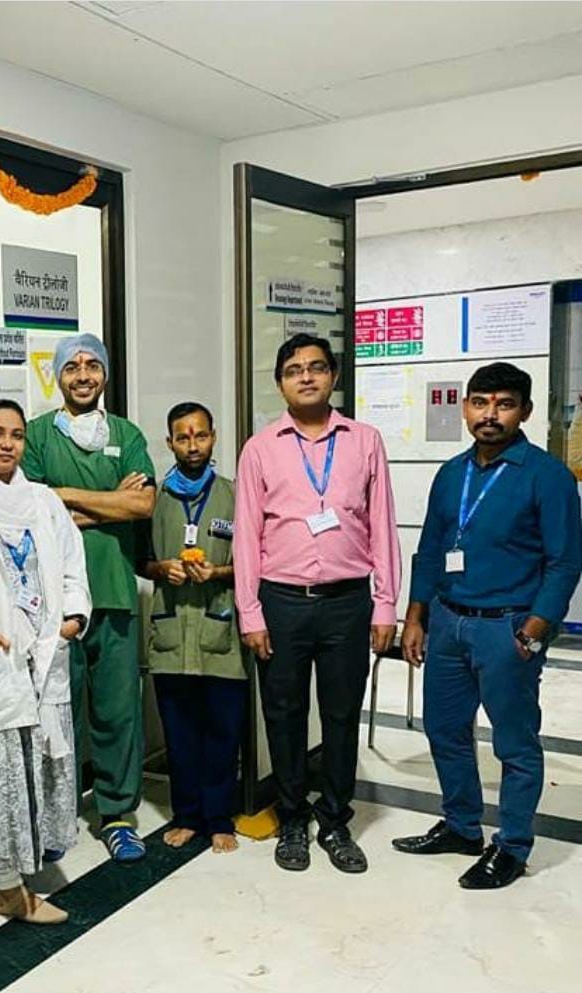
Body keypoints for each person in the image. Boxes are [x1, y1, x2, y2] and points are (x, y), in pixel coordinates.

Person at [394, 362, 582, 889]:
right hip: (448, 622)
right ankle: (461, 826)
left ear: (524, 411)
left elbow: (565, 562)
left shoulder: (547, 476)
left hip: (507, 629)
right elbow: (431, 549)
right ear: (465, 408)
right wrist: (416, 615)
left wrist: (534, 629)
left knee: (514, 744)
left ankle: (513, 846)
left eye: (504, 404)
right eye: (480, 403)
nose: (490, 414)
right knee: (445, 730)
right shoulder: (452, 473)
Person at [234, 333, 401, 874]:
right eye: (293, 370)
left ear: (333, 376)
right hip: (280, 602)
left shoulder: (364, 441)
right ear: (280, 383)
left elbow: (382, 525)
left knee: (341, 714)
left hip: (347, 603)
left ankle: (334, 819)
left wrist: (385, 604)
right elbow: (246, 537)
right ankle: (291, 819)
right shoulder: (260, 448)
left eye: (316, 367)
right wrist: (250, 612)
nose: (305, 377)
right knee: (283, 715)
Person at [0, 399, 91, 922]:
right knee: (0, 776)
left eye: (16, 435)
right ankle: (6, 888)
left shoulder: (44, 502)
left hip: (45, 653)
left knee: (42, 768)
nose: (7, 444)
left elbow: (73, 565)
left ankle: (29, 867)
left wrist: (73, 616)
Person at [23, 333, 156, 863]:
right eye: (72, 366)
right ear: (58, 376)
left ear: (105, 373)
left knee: (117, 711)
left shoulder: (126, 434)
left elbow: (142, 506)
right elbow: (34, 509)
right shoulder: (37, 435)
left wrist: (68, 499)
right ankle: (56, 817)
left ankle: (117, 814)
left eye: (92, 365)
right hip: (54, 602)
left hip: (113, 591)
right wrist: (110, 500)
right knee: (56, 712)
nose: (82, 375)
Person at [140, 402, 248, 854]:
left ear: (213, 437)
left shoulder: (235, 495)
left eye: (200, 435)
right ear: (170, 443)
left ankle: (219, 818)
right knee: (180, 734)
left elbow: (254, 563)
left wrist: (218, 573)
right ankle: (186, 815)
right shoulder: (154, 500)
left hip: (219, 636)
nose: (192, 445)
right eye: (182, 438)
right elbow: (139, 560)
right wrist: (161, 569)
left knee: (223, 733)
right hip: (170, 637)